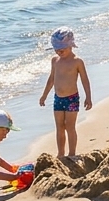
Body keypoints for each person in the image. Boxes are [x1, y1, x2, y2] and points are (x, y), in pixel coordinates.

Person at [38, 27, 92, 159]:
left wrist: (88, 97)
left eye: (62, 49)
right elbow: (51, 78)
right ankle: (61, 153)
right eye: (57, 49)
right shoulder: (55, 60)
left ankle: (72, 153)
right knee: (59, 127)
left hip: (72, 99)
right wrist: (44, 95)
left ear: (71, 45)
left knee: (70, 126)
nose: (59, 52)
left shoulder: (77, 61)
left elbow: (85, 80)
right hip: (58, 98)